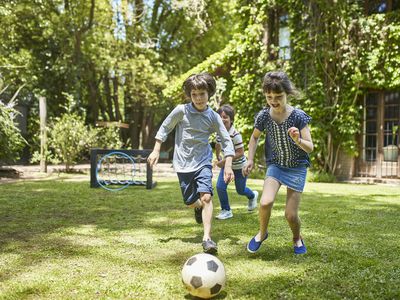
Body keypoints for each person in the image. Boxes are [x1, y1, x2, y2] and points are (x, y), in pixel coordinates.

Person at [147, 72, 235, 254]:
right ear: (190, 95)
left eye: (202, 94)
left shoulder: (213, 116)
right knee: (190, 202)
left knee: (207, 197)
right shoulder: (181, 110)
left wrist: (227, 165)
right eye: (194, 94)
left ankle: (207, 239)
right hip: (183, 162)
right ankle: (197, 208)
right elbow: (165, 127)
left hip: (203, 160)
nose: (198, 98)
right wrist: (156, 149)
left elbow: (226, 140)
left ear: (208, 93)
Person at [243, 71, 313, 255]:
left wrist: (298, 140)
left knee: (290, 215)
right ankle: (262, 233)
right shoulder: (264, 116)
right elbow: (253, 139)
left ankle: (297, 238)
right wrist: (250, 159)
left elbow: (310, 147)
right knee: (265, 202)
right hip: (276, 165)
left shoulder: (298, 116)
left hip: (297, 167)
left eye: (278, 96)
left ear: (287, 94)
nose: (274, 101)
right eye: (269, 97)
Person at [214, 104, 259, 220]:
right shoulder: (219, 132)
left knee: (240, 190)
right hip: (227, 165)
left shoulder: (235, 135)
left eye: (225, 117)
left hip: (239, 167)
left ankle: (252, 195)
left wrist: (224, 161)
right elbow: (218, 144)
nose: (223, 119)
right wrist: (218, 155)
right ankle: (226, 210)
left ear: (231, 119)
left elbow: (240, 152)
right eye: (220, 117)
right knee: (220, 186)